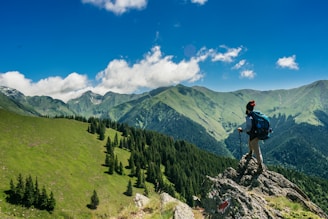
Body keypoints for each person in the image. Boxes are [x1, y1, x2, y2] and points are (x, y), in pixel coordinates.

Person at [238, 100, 264, 172]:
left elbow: (248, 128)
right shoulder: (254, 115)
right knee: (249, 142)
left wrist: (242, 130)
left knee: (257, 150)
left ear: (247, 109)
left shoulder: (249, 117)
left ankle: (260, 166)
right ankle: (250, 153)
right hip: (255, 134)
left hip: (254, 135)